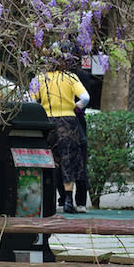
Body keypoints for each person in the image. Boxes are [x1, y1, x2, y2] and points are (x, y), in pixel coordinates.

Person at [31, 59, 90, 214]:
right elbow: (85, 98)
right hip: (68, 122)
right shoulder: (70, 77)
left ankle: (50, 199)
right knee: (68, 159)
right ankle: (69, 201)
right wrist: (76, 107)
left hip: (47, 122)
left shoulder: (39, 78)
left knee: (51, 160)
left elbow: (30, 99)